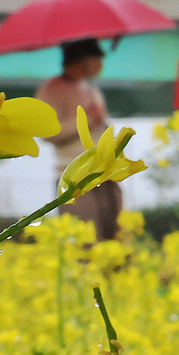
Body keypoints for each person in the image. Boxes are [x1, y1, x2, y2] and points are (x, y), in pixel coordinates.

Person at [36, 38, 121, 241]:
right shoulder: (51, 90)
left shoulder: (93, 91)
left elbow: (104, 130)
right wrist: (86, 120)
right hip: (75, 176)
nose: (101, 64)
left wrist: (100, 120)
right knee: (86, 242)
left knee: (117, 238)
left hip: (106, 173)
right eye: (97, 58)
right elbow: (47, 132)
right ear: (81, 60)